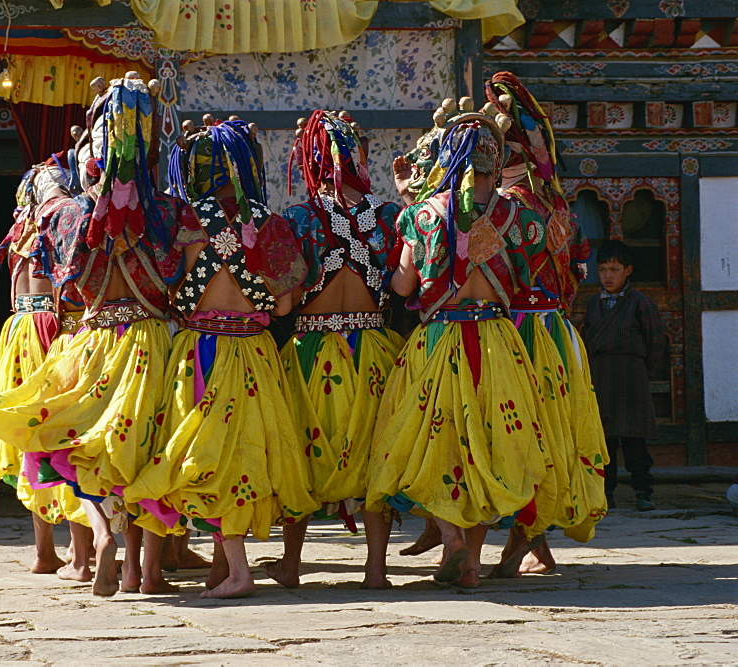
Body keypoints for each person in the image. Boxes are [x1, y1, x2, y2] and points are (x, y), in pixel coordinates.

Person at [0, 73, 192, 596]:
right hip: (150, 340)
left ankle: (101, 533)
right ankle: (147, 573)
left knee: (83, 447)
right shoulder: (168, 212)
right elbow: (181, 279)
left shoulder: (69, 214)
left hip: (94, 339)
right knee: (145, 451)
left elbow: (65, 288)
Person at [124, 115, 318, 599]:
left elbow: (163, 283)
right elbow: (284, 305)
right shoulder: (269, 225)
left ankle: (209, 570)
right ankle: (226, 567)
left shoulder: (184, 221)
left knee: (191, 450)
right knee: (245, 455)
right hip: (254, 355)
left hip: (199, 351)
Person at [365, 104, 551, 589]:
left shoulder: (424, 215)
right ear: (494, 157)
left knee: (431, 442)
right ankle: (472, 556)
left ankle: (449, 539)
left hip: (439, 339)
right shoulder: (517, 213)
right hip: (496, 342)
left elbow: (404, 287)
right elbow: (529, 277)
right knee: (491, 443)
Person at [261, 110, 404, 590]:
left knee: (300, 452)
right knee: (374, 452)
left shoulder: (298, 218)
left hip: (311, 350)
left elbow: (287, 302)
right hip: (374, 347)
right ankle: (376, 569)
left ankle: (292, 564)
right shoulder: (389, 216)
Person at [484, 72, 610, 576]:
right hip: (557, 332)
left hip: (514, 332)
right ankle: (538, 543)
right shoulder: (561, 208)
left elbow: (479, 270)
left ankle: (520, 538)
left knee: (518, 433)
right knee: (554, 430)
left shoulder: (504, 211)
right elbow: (577, 275)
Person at [0, 132, 91, 577]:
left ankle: (43, 550)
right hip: (55, 330)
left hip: (17, 330)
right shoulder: (65, 221)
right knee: (65, 431)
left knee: (31, 438)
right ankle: (80, 550)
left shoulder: (21, 229)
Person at [582, 239, 665, 512]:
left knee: (634, 439)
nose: (608, 275)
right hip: (601, 375)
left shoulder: (641, 304)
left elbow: (656, 344)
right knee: (604, 439)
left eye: (614, 269)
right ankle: (607, 493)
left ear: (627, 271)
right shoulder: (593, 304)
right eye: (603, 269)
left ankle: (643, 491)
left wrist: (642, 373)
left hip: (631, 377)